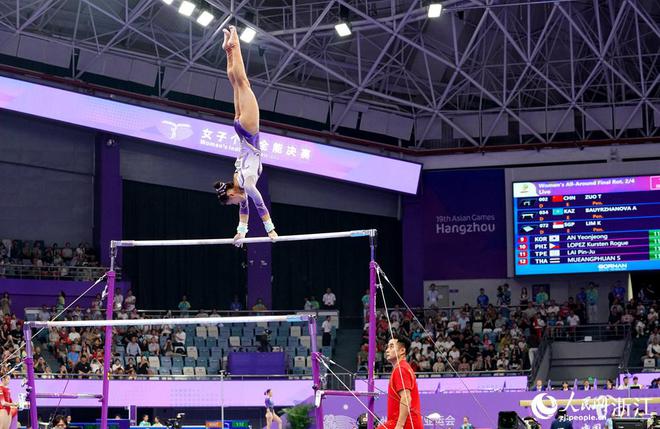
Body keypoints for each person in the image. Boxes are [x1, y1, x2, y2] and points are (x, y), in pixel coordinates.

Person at [214, 25, 278, 245]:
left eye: (232, 203)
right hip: (240, 129)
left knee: (242, 82)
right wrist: (241, 233)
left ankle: (234, 44)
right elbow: (245, 210)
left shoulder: (246, 185)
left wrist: (271, 231)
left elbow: (259, 204)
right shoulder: (238, 182)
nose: (237, 204)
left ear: (231, 194)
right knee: (236, 83)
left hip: (249, 132)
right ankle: (228, 50)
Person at [377, 335, 423, 429]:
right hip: (400, 422)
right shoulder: (402, 367)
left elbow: (406, 398)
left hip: (405, 424)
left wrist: (399, 425)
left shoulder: (401, 369)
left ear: (402, 350)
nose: (387, 350)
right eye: (387, 347)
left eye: (391, 347)